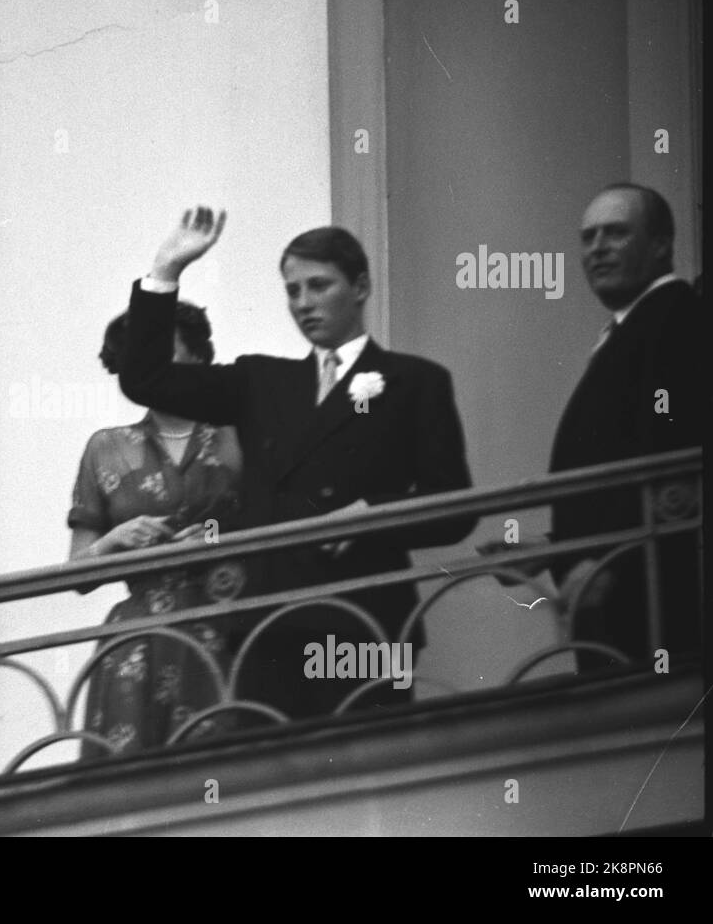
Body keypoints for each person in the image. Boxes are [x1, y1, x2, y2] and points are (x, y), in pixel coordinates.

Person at [119, 208, 475, 719]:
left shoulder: (415, 381)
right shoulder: (262, 382)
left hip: (364, 620)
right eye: (292, 291)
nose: (304, 303)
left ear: (360, 286)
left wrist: (374, 514)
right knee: (274, 783)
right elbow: (146, 381)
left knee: (367, 778)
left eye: (318, 285)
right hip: (268, 622)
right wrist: (165, 272)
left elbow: (456, 508)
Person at [68, 302, 245, 757]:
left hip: (229, 630)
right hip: (139, 644)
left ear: (198, 355)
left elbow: (279, 522)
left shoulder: (237, 434)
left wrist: (218, 538)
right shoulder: (106, 448)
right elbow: (78, 576)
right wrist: (115, 540)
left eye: (162, 350)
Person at [545, 183, 702, 670]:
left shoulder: (676, 319)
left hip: (650, 601)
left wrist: (611, 560)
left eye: (615, 233)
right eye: (588, 237)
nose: (597, 248)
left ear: (660, 244)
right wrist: (554, 549)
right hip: (619, 594)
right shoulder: (634, 326)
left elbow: (674, 452)